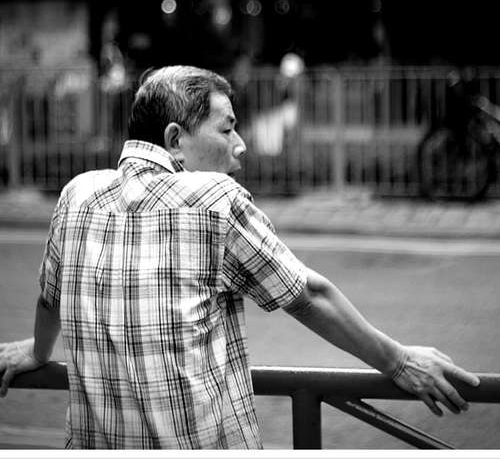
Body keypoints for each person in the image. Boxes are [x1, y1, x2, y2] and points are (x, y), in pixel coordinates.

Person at [0, 65, 480, 449]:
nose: (240, 145)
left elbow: (50, 298)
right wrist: (398, 362)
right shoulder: (214, 199)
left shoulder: (78, 194)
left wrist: (39, 352)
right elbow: (307, 295)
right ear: (175, 140)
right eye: (227, 129)